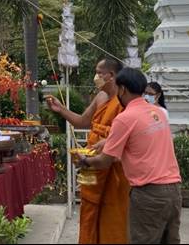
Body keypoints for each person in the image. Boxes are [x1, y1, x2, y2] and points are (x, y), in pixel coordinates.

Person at [74, 68, 182, 244]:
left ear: (122, 89)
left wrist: (84, 161)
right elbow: (140, 146)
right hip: (174, 191)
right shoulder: (159, 113)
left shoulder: (125, 118)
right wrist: (108, 143)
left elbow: (104, 161)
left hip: (149, 193)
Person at [45, 58, 129, 244]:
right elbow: (83, 121)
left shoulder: (124, 100)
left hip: (112, 164)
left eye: (100, 73)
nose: (96, 77)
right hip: (90, 160)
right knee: (89, 206)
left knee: (112, 210)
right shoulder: (100, 96)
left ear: (112, 75)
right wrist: (61, 110)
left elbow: (127, 136)